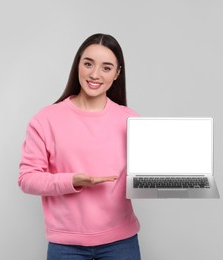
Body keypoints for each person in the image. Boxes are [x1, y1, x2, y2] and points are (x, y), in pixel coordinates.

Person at [19, 33, 141, 260]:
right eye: (88, 64)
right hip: (66, 246)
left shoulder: (131, 120)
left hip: (121, 242)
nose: (95, 74)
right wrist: (73, 180)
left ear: (117, 74)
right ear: (78, 66)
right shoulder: (46, 119)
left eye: (106, 68)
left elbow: (145, 176)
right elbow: (27, 179)